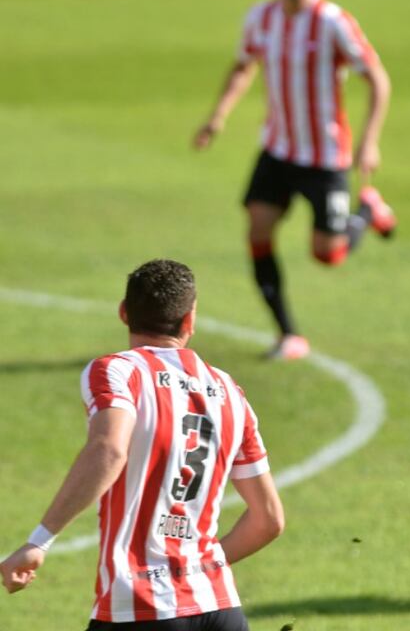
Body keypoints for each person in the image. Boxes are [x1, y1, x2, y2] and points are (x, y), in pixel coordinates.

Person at [0, 259, 285, 630]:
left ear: (123, 312)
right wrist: (195, 570)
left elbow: (109, 449)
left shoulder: (119, 371)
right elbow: (268, 520)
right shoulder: (230, 392)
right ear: (189, 320)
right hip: (220, 610)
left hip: (140, 608)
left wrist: (39, 541)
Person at [193, 0, 394, 360]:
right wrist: (217, 117)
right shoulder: (261, 17)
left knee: (327, 254)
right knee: (258, 228)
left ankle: (368, 211)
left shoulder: (333, 22)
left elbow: (377, 79)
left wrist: (369, 142)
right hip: (278, 149)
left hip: (326, 157)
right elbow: (243, 66)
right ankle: (289, 334)